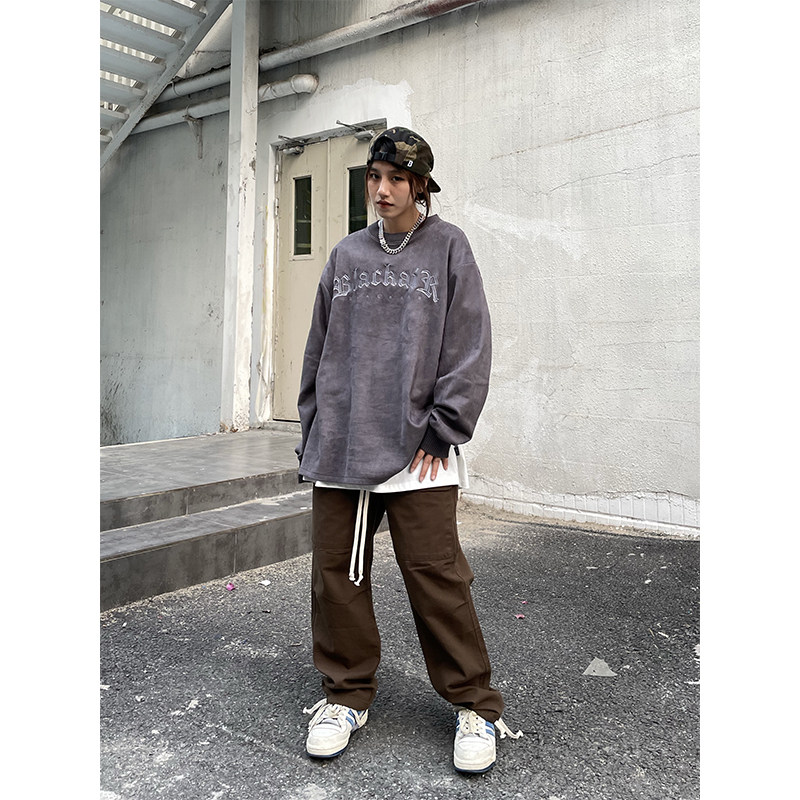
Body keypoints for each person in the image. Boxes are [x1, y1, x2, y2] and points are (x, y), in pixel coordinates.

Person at [295, 127, 521, 774]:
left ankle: (474, 704)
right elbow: (318, 348)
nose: (383, 189)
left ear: (420, 185)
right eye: (375, 177)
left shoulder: (448, 247)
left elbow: (470, 343)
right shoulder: (346, 256)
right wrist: (313, 430)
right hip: (344, 444)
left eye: (397, 178)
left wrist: (444, 427)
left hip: (421, 448)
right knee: (336, 576)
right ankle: (346, 695)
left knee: (436, 577)